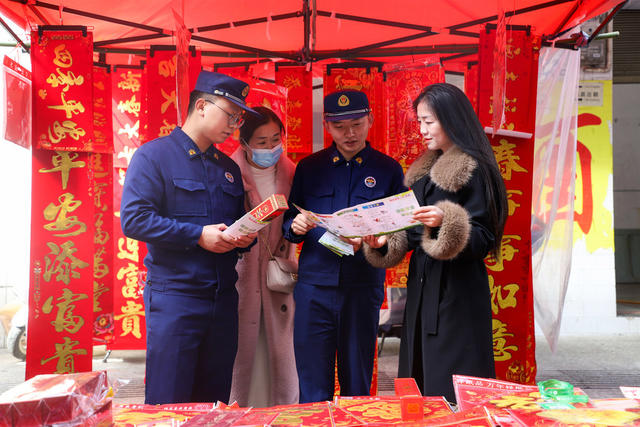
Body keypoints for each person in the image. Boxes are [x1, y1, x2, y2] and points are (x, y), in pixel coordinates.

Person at [363, 83, 508, 403]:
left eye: (428, 121)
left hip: (457, 296)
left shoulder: (475, 169)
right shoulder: (426, 175)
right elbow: (414, 231)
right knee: (421, 383)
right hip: (422, 292)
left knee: (454, 385)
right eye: (419, 122)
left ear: (452, 119)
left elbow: (484, 238)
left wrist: (448, 222)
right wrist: (384, 241)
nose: (421, 130)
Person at [120, 71, 258, 405]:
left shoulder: (227, 167)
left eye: (239, 118)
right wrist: (197, 235)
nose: (234, 125)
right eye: (230, 115)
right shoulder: (154, 157)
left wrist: (244, 236)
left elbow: (233, 225)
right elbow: (134, 220)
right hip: (176, 298)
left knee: (214, 404)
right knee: (170, 402)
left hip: (222, 300)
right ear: (200, 106)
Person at [282, 90, 406, 403]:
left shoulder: (388, 170)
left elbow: (400, 231)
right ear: (326, 125)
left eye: (357, 124)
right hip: (314, 288)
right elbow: (290, 222)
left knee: (357, 378)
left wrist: (381, 241)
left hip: (361, 287)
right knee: (312, 380)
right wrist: (294, 227)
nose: (349, 134)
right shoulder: (310, 168)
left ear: (370, 120)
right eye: (339, 126)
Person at [229, 106, 299, 407]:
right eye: (261, 142)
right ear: (244, 142)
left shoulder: (293, 171)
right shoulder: (228, 172)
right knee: (244, 353)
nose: (271, 148)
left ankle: (282, 414)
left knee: (280, 353)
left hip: (276, 276)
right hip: (240, 276)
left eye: (275, 139)